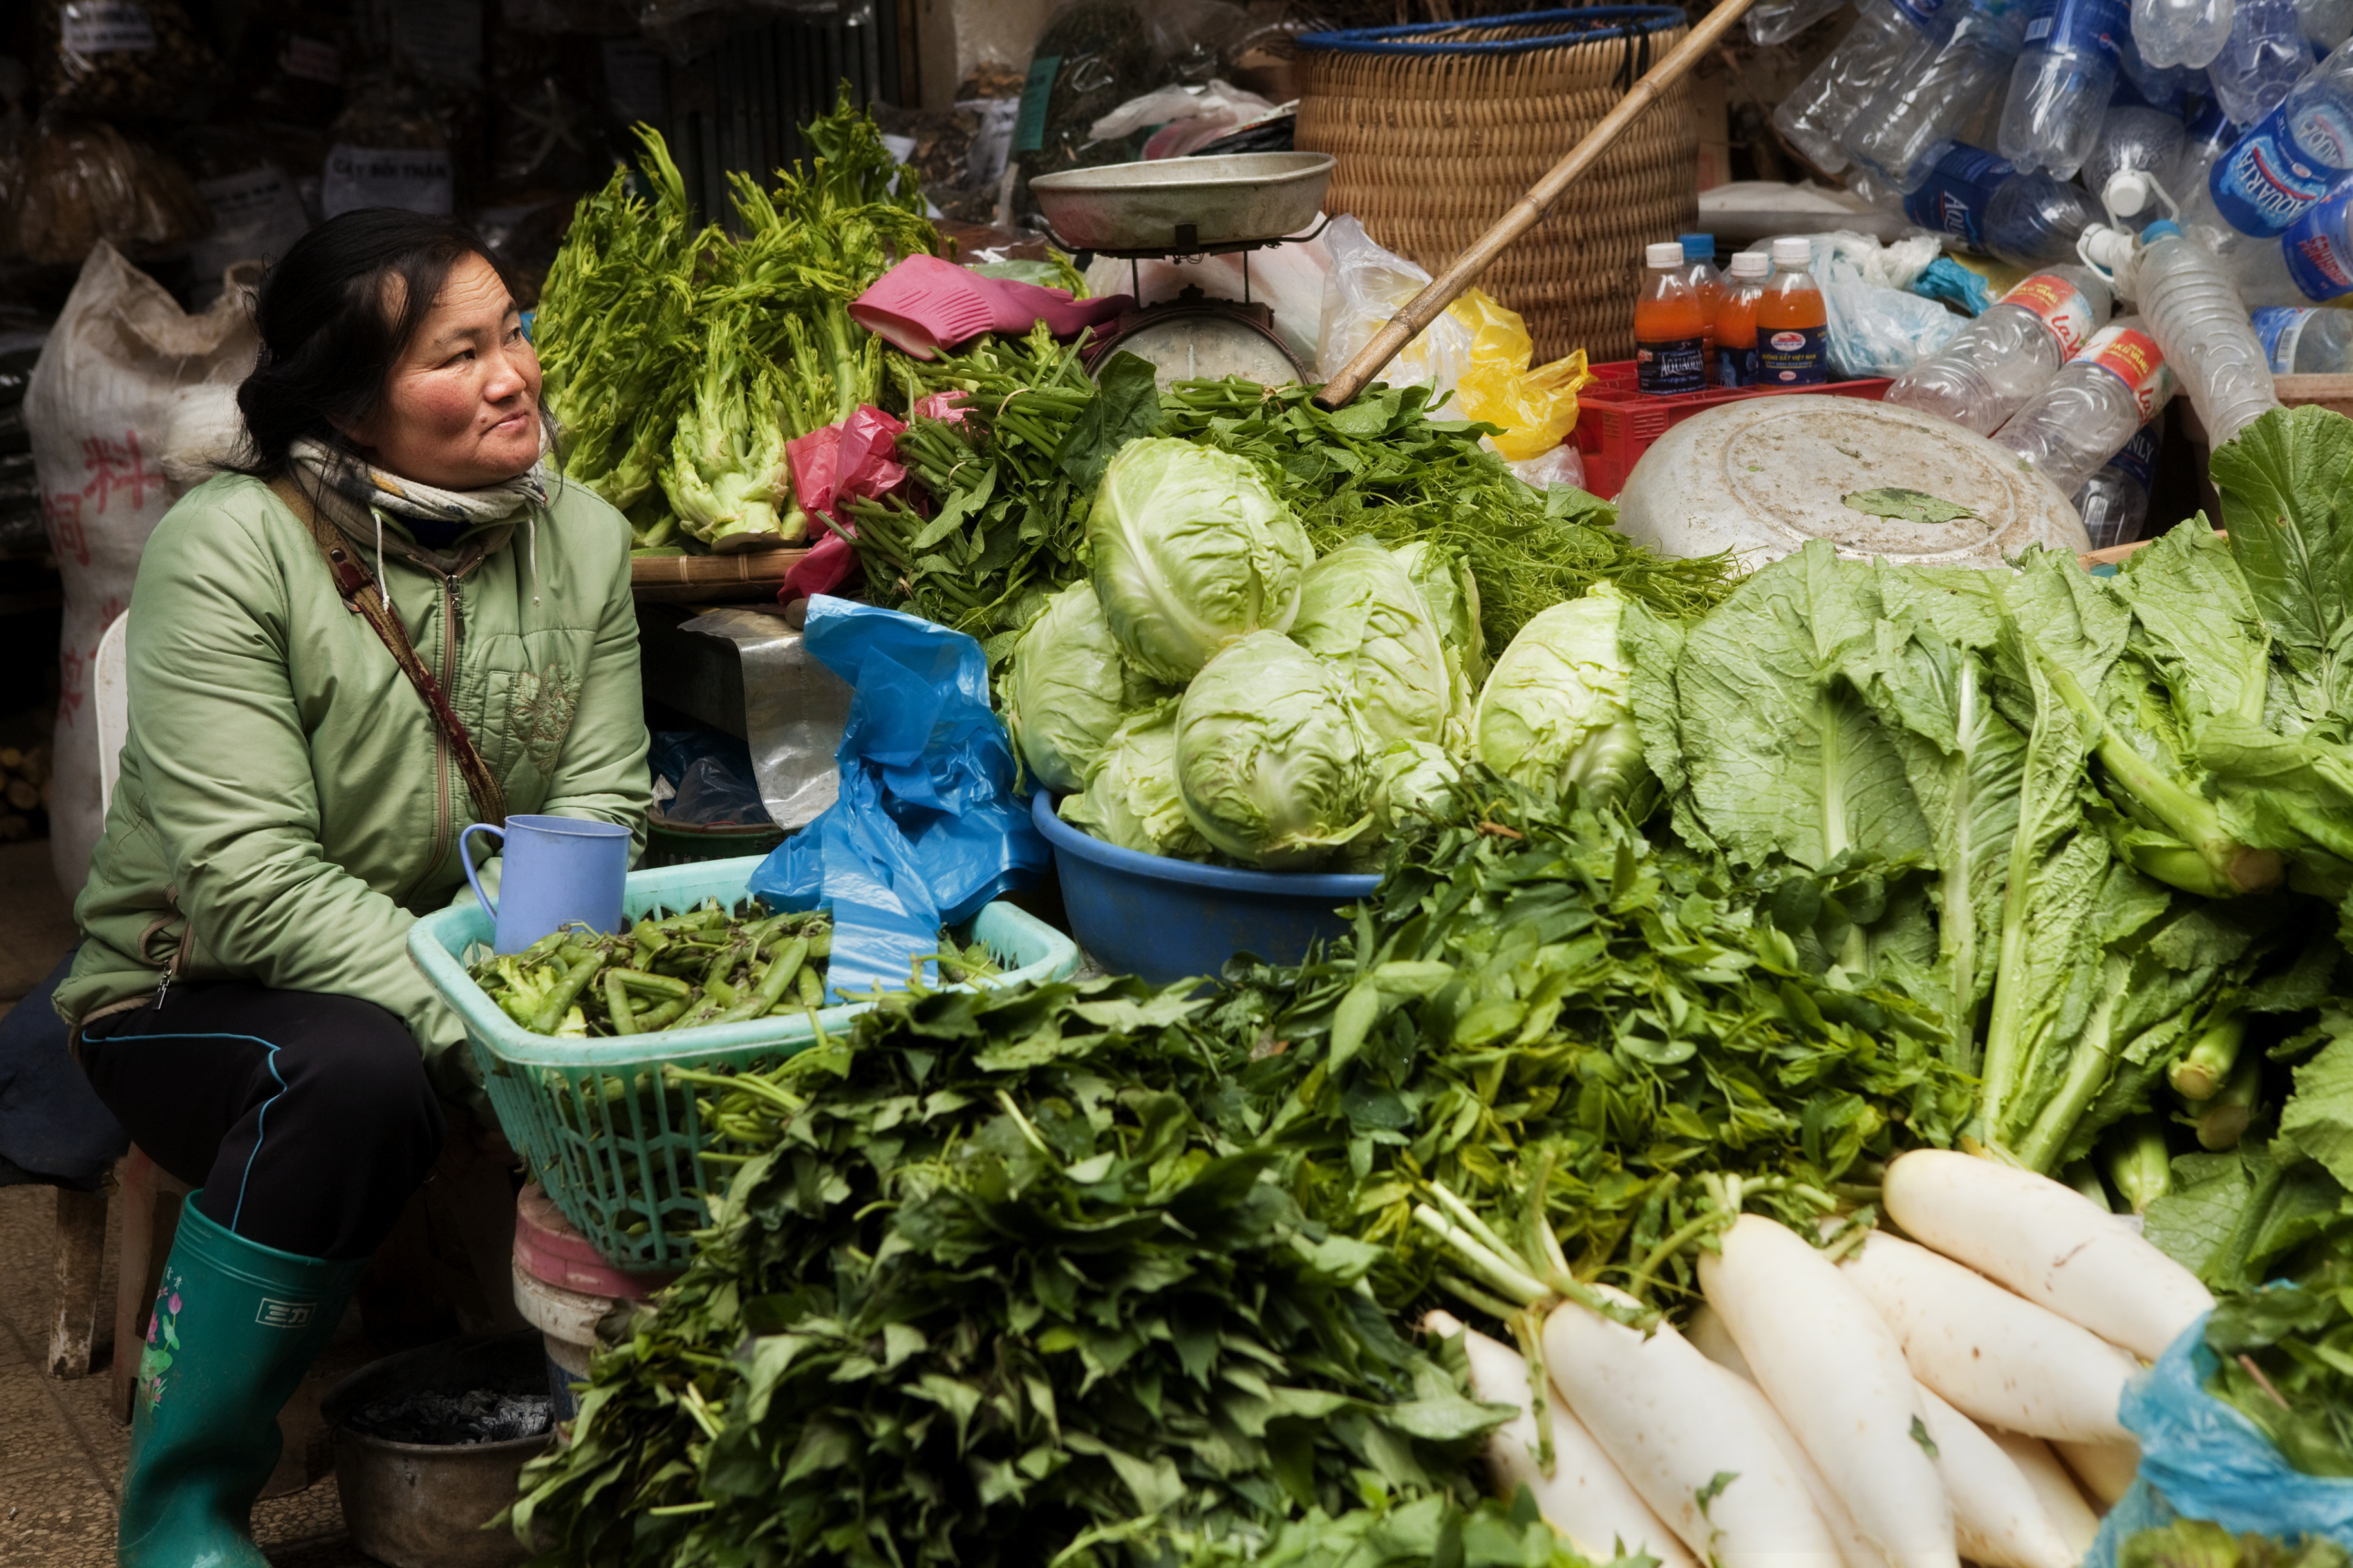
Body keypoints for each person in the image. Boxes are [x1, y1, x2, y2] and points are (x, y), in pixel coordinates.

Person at [53, 209, 648, 1568]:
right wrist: (496, 1031)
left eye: (514, 336)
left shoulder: (588, 542)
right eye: (458, 355)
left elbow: (600, 810)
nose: (513, 377)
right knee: (355, 1072)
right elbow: (253, 889)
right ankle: (187, 1503)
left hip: (457, 978)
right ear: (348, 404)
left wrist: (554, 1012)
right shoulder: (227, 549)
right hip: (192, 988)